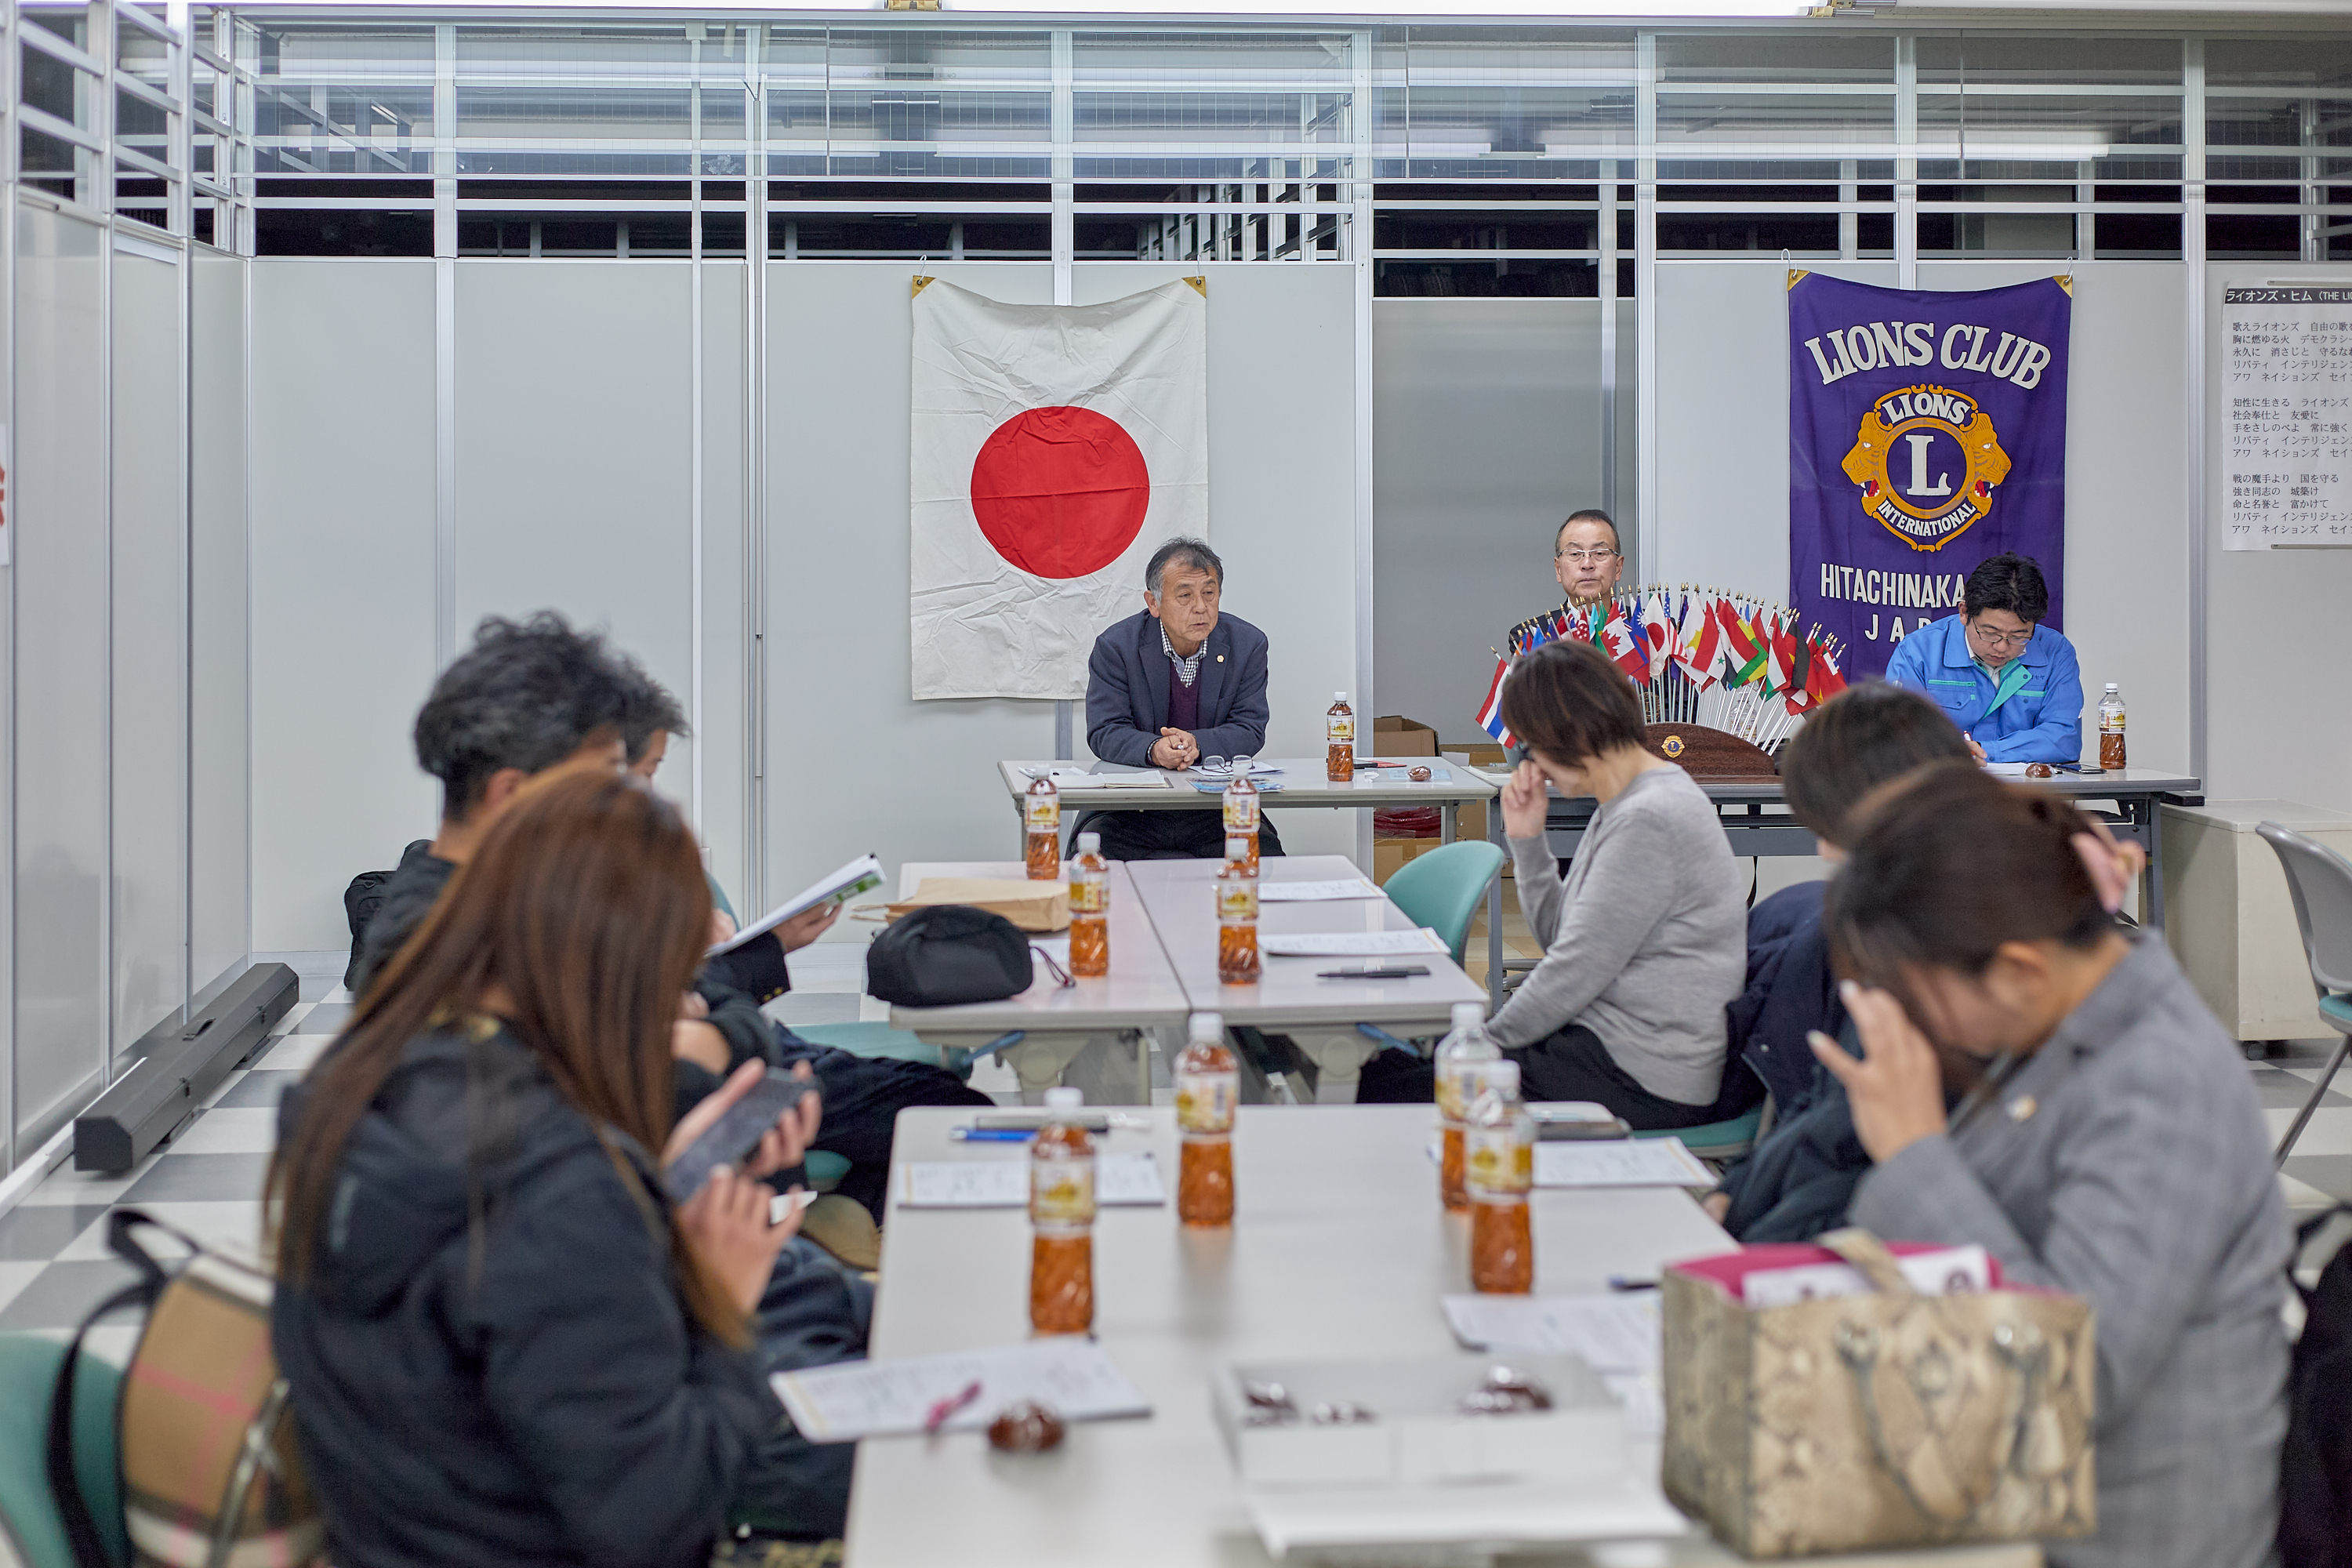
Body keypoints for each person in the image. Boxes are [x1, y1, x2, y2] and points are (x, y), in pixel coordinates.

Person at [271, 770, 864, 1563]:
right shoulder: (554, 1177)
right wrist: (718, 1295)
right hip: (555, 1525)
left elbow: (527, 1322)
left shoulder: (367, 1089)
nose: (687, 1005)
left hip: (417, 1517)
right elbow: (653, 1518)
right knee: (924, 1461)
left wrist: (665, 1193)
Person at [358, 616, 990, 1222]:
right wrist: (699, 1031)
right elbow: (651, 1067)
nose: (630, 809)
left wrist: (697, 1026)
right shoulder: (453, 945)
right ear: (513, 795)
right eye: (612, 782)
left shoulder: (524, 901)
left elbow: (679, 1024)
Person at [1821, 762, 2289, 1568]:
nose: (1912, 1019)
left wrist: (1914, 1154)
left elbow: (2078, 1372)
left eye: (1919, 993)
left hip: (2107, 1539)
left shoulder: (2161, 1078)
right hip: (2000, 1501)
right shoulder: (2057, 1032)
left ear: (2019, 969)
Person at [1361, 638, 1745, 1126]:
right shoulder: (1629, 799)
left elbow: (1572, 970)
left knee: (1388, 1088)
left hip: (1643, 1074)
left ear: (1568, 737)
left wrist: (1480, 1042)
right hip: (1604, 1043)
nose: (1529, 763)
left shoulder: (1650, 817)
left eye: (1529, 745)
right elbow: (1565, 940)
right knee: (1392, 1069)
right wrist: (1528, 843)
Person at [1703, 684, 1974, 1242]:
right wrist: (1733, 1193)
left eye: (1830, 826)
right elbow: (1819, 1112)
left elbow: (1851, 1170)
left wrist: (1750, 1239)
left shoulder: (1941, 963)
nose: (1825, 852)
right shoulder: (1883, 933)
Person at [1081, 536, 1285, 861]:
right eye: (1185, 596)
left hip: (1216, 811)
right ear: (1154, 602)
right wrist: (1154, 750)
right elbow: (1105, 731)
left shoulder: (1248, 645)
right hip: (1131, 811)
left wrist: (1197, 744)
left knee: (1265, 859)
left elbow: (1249, 729)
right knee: (1091, 863)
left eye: (1209, 592)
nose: (1201, 607)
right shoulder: (1116, 647)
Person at [1884, 551, 2083, 765]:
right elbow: (1898, 739)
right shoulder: (1917, 653)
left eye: (2019, 636)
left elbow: (2064, 739)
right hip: (1942, 791)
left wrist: (1982, 751)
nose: (2002, 647)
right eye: (1990, 633)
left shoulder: (2056, 651)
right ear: (1964, 612)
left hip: (2026, 794)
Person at [1506, 508, 1624, 651]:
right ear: (1558, 569)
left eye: (1599, 553)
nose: (1587, 564)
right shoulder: (1532, 637)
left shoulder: (1648, 628)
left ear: (1618, 567)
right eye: (1575, 554)